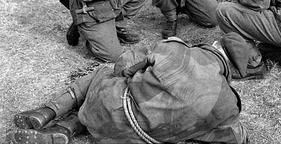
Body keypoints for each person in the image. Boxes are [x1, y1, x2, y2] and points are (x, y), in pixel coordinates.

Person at [8, 36, 249, 144]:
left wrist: (132, 78)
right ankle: (65, 129)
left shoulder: (178, 48)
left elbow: (122, 65)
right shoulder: (228, 106)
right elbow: (235, 137)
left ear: (215, 45)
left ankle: (47, 113)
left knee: (103, 74)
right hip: (131, 140)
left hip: (110, 108)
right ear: (233, 71)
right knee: (120, 104)